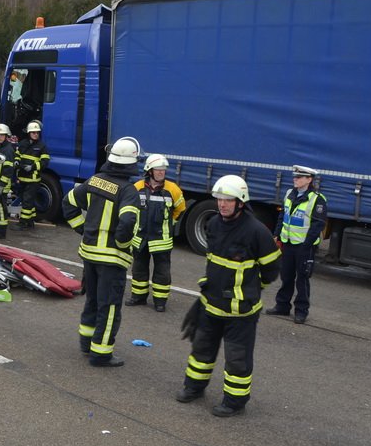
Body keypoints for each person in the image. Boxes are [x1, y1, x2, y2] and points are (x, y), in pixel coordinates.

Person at [176, 175, 281, 417]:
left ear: (240, 202)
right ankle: (193, 388)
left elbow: (271, 268)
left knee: (237, 359)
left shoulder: (256, 232)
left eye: (228, 200)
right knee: (201, 350)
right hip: (211, 304)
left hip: (241, 311)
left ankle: (235, 402)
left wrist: (253, 289)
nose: (222, 204)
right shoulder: (213, 223)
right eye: (219, 199)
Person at [61, 137, 141, 367]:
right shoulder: (128, 191)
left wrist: (82, 229)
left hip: (89, 254)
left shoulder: (95, 181)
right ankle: (101, 353)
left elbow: (68, 203)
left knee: (93, 300)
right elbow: (127, 223)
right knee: (110, 306)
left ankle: (86, 344)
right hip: (111, 259)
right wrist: (124, 246)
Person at [266, 165, 328, 324]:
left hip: (304, 247)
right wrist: (276, 234)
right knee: (286, 276)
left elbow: (318, 224)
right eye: (295, 176)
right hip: (287, 244)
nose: (295, 179)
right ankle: (282, 306)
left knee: (302, 279)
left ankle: (301, 311)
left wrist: (307, 245)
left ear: (309, 180)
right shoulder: (289, 194)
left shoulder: (317, 199)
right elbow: (282, 216)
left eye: (299, 177)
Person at [125, 154, 185, 312]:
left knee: (162, 272)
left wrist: (169, 224)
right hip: (140, 237)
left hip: (161, 239)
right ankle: (138, 297)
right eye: (158, 170)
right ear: (149, 171)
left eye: (163, 170)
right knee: (139, 268)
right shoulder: (137, 187)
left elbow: (180, 210)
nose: (161, 172)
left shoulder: (173, 190)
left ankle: (160, 301)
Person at [15, 120, 50, 230]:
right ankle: (30, 221)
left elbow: (45, 162)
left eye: (37, 132)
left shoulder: (42, 146)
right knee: (28, 201)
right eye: (33, 132)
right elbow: (17, 155)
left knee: (27, 201)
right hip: (22, 178)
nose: (36, 134)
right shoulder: (23, 144)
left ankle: (23, 223)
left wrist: (33, 167)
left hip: (33, 180)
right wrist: (16, 162)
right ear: (29, 133)